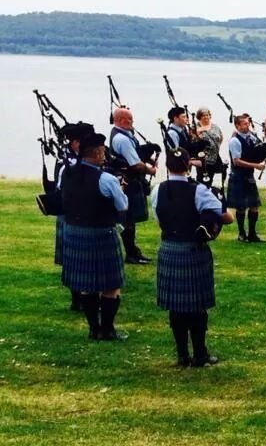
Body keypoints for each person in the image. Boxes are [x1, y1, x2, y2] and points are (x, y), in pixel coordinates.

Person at [151, 148, 234, 367]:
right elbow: (227, 218)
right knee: (197, 307)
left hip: (169, 248)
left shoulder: (157, 190)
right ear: (189, 165)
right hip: (193, 250)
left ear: (167, 166)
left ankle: (182, 355)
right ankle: (199, 354)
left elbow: (159, 221)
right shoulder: (199, 191)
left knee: (176, 307)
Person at [60, 133, 129, 341]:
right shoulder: (106, 179)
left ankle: (93, 329)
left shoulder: (66, 172)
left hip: (74, 233)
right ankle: (107, 330)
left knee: (86, 285)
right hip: (101, 234)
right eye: (103, 152)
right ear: (98, 153)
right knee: (110, 286)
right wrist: (120, 188)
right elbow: (122, 205)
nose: (104, 156)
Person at [109, 108, 157, 265]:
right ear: (120, 120)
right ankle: (131, 253)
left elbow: (135, 154)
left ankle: (133, 251)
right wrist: (150, 170)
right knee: (128, 218)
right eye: (129, 119)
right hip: (128, 182)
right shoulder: (121, 139)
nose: (132, 122)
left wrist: (148, 159)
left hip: (128, 180)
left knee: (130, 219)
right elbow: (135, 164)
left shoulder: (123, 135)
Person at [54, 122, 94, 311]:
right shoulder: (68, 164)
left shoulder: (74, 159)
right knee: (75, 259)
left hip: (76, 214)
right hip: (71, 215)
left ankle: (81, 299)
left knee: (79, 259)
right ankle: (77, 300)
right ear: (75, 142)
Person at [225, 114, 266, 243]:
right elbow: (236, 161)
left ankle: (252, 234)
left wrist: (262, 156)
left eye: (248, 123)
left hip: (249, 176)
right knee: (241, 207)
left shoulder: (251, 137)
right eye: (244, 124)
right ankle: (241, 234)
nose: (247, 126)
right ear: (237, 125)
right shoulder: (234, 141)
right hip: (238, 176)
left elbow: (255, 152)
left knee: (254, 206)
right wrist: (256, 165)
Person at [195, 107, 225, 184]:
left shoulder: (215, 127)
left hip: (214, 158)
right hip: (203, 160)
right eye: (203, 115)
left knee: (210, 179)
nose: (206, 117)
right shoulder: (196, 127)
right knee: (202, 180)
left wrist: (215, 147)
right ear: (199, 117)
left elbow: (221, 138)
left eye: (207, 115)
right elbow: (193, 141)